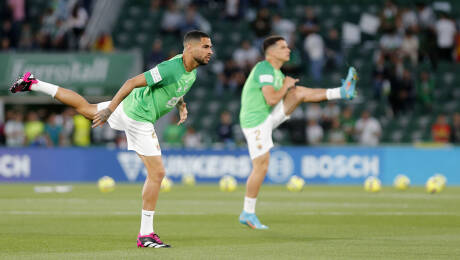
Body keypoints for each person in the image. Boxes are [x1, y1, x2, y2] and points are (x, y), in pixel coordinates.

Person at [10, 30, 213, 248]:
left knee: (86, 108)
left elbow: (176, 85)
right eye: (206, 47)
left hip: (128, 107)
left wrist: (180, 104)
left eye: (210, 47)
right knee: (158, 173)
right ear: (189, 48)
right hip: (138, 116)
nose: (210, 51)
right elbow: (131, 82)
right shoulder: (170, 67)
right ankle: (146, 235)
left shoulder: (190, 69)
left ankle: (34, 83)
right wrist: (109, 110)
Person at [238, 35, 357, 229]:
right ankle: (247, 213)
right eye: (283, 47)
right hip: (255, 123)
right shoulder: (264, 68)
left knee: (298, 92)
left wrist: (287, 87)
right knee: (261, 166)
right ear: (271, 52)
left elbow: (277, 98)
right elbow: (270, 99)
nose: (289, 50)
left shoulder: (278, 74)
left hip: (266, 118)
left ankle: (342, 92)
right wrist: (285, 86)